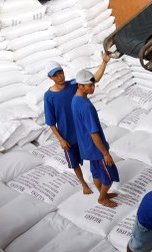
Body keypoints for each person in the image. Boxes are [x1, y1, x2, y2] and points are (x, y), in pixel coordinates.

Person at [43, 52, 110, 195]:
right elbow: (51, 122)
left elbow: (93, 79)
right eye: (55, 75)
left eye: (60, 73)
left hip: (83, 133)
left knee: (94, 156)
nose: (60, 77)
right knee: (74, 162)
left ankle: (100, 184)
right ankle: (84, 184)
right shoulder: (49, 97)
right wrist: (61, 139)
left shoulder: (74, 85)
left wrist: (104, 62)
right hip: (68, 135)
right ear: (50, 77)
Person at [72, 68, 120, 208]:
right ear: (80, 85)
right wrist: (105, 153)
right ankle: (102, 198)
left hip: (86, 146)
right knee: (109, 175)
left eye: (93, 85)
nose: (92, 88)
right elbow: (93, 133)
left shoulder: (75, 100)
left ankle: (102, 194)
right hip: (96, 148)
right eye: (89, 85)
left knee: (97, 173)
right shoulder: (86, 106)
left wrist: (104, 63)